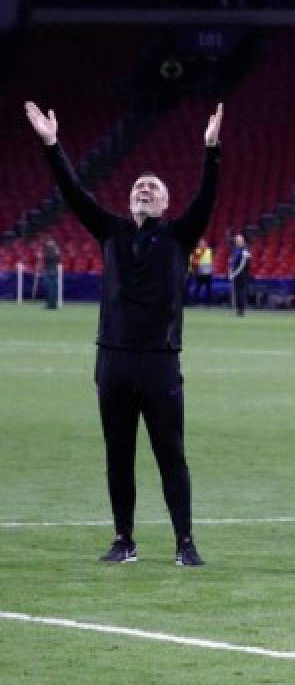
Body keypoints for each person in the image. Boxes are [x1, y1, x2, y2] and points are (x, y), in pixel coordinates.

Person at [24, 100, 222, 566]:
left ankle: (185, 543)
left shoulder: (178, 236)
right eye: (138, 186)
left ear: (166, 203)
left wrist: (211, 150)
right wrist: (52, 144)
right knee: (119, 455)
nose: (144, 189)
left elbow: (207, 199)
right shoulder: (110, 231)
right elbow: (73, 194)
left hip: (159, 359)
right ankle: (124, 540)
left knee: (170, 453)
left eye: (152, 188)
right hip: (112, 360)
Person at [229, 234, 251, 316]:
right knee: (237, 293)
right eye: (236, 240)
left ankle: (241, 311)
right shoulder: (235, 249)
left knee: (241, 292)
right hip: (236, 274)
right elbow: (233, 262)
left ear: (242, 241)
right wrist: (231, 271)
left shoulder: (245, 250)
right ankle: (237, 310)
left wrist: (234, 273)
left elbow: (243, 264)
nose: (237, 241)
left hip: (242, 275)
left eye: (238, 240)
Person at [191, 239, 213, 304]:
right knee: (198, 287)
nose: (202, 244)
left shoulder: (209, 250)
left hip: (208, 273)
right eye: (201, 243)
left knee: (208, 288)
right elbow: (194, 261)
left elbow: (211, 261)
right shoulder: (196, 251)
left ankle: (209, 302)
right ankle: (195, 301)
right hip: (199, 272)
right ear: (199, 244)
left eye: (203, 243)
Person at [42, 238, 61, 309]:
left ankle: (52, 304)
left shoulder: (51, 251)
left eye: (50, 242)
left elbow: (56, 260)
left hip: (51, 272)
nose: (49, 243)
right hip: (49, 271)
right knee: (50, 288)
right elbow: (47, 260)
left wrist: (57, 254)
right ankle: (50, 304)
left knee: (51, 289)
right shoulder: (49, 251)